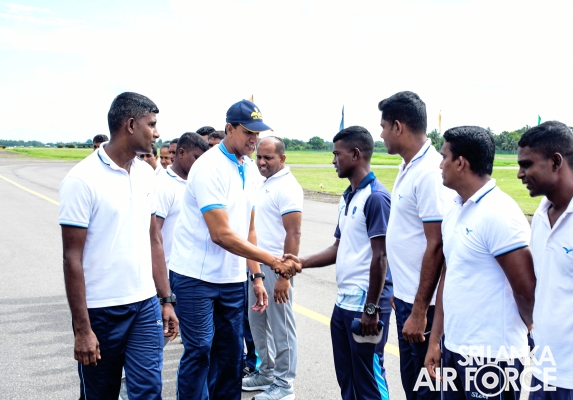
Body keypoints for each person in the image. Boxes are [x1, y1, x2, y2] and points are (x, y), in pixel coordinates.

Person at [168, 99, 300, 399]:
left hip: (231, 279)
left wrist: (257, 276)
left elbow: (248, 229)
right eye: (247, 132)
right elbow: (221, 234)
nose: (254, 139)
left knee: (230, 355)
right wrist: (272, 261)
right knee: (200, 350)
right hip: (195, 277)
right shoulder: (209, 167)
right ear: (229, 129)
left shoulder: (249, 169)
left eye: (257, 133)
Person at [59, 92, 179, 399]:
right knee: (101, 393)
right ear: (131, 125)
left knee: (149, 390)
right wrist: (82, 329)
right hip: (101, 311)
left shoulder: (146, 174)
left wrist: (166, 299)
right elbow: (72, 258)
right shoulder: (82, 180)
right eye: (151, 124)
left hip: (145, 305)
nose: (157, 133)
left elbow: (154, 240)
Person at [424, 126, 535, 400]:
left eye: (444, 157)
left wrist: (529, 331)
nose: (440, 164)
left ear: (461, 163)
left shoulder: (499, 213)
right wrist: (436, 339)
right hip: (455, 349)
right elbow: (449, 276)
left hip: (492, 357)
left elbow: (526, 290)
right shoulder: (455, 209)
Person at [286, 126, 393, 400]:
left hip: (366, 307)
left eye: (337, 154)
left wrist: (372, 309)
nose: (333, 160)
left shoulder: (376, 198)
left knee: (369, 382)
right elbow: (338, 248)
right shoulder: (348, 197)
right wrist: (301, 262)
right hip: (343, 303)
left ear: (355, 154)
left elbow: (381, 256)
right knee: (347, 380)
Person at [378, 91, 451, 400]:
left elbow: (437, 245)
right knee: (413, 385)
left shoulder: (429, 172)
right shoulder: (408, 166)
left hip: (427, 308)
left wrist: (419, 310)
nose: (381, 134)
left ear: (398, 126)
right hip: (408, 299)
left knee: (427, 390)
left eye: (383, 127)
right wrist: (402, 292)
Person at [242, 137, 303, 400]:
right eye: (259, 157)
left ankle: (284, 384)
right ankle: (266, 372)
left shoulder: (287, 187)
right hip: (257, 268)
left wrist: (284, 276)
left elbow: (294, 233)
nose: (262, 162)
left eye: (268, 157)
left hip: (277, 269)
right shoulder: (263, 183)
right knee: (257, 322)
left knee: (281, 327)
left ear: (282, 158)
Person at [517, 121, 573, 398]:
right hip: (543, 370)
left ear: (555, 162)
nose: (519, 174)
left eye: (527, 164)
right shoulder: (541, 214)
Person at [156, 132, 208, 270]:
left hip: (191, 271)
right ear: (181, 153)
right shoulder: (163, 184)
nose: (200, 164)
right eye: (196, 158)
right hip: (168, 269)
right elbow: (154, 233)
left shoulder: (197, 183)